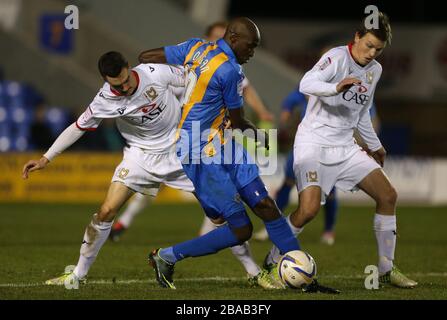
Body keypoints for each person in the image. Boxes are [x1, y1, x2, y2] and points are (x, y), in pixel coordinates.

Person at [138, 17, 338, 293]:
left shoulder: (196, 47)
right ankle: (166, 256)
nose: (252, 53)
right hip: (198, 151)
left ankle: (301, 270)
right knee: (241, 228)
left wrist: (164, 81)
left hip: (223, 143)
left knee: (266, 206)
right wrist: (261, 134)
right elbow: (239, 119)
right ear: (233, 38)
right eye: (251, 46)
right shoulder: (230, 71)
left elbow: (145, 57)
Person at [264, 12, 417, 288]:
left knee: (388, 196)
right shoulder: (336, 57)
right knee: (307, 211)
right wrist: (336, 86)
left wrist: (374, 145)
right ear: (357, 37)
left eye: (378, 49)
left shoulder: (375, 71)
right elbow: (306, 84)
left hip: (346, 147)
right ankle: (272, 258)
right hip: (313, 143)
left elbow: (360, 114)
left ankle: (385, 269)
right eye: (368, 45)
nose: (372, 53)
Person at [22, 51, 194, 286]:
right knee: (105, 212)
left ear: (128, 67)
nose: (125, 88)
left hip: (179, 152)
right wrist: (46, 158)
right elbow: (78, 127)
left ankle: (251, 269)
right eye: (118, 85)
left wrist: (191, 107)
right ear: (105, 79)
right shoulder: (104, 99)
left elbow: (191, 77)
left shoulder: (156, 72)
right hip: (140, 157)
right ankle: (77, 275)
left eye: (126, 81)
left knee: (221, 213)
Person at [110, 21, 275, 241]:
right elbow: (152, 65)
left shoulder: (226, 67)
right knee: (156, 184)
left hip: (200, 134)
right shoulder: (191, 58)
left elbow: (246, 89)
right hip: (177, 131)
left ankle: (212, 231)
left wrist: (262, 111)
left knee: (213, 188)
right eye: (216, 36)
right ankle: (126, 222)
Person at [252, 89, 381, 245]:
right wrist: (286, 114)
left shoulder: (355, 89)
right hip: (305, 144)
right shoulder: (316, 80)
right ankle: (272, 227)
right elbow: (290, 101)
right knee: (287, 184)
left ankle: (328, 231)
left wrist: (368, 142)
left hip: (333, 147)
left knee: (330, 190)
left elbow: (372, 116)